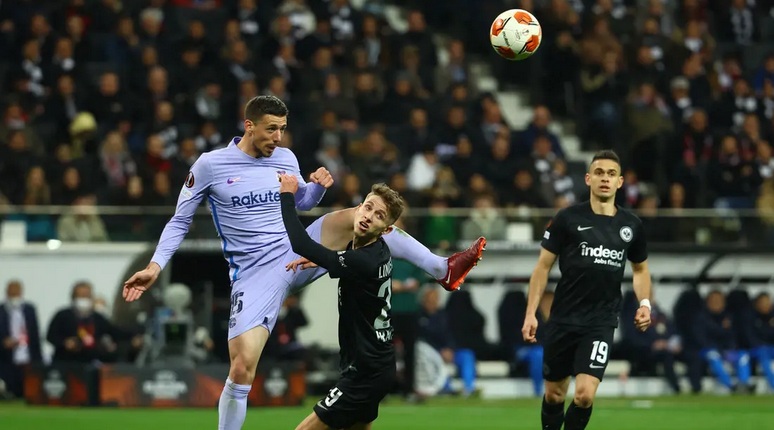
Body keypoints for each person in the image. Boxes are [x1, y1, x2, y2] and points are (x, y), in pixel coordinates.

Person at [122, 95, 485, 430]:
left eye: (282, 129)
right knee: (242, 367)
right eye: (271, 129)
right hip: (255, 274)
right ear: (249, 126)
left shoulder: (285, 157)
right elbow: (180, 220)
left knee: (362, 216)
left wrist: (318, 188)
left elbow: (301, 203)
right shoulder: (210, 165)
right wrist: (155, 265)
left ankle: (443, 268)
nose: (278, 137)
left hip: (295, 250)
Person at [521, 150, 653, 430]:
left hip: (600, 322)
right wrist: (531, 313)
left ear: (620, 182)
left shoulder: (631, 225)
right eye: (599, 173)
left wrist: (645, 303)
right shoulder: (567, 218)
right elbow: (542, 267)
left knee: (583, 395)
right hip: (563, 319)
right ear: (588, 178)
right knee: (554, 394)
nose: (605, 178)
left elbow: (640, 269)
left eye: (611, 174)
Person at [279, 175, 404, 430]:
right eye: (368, 207)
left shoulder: (363, 260)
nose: (369, 216)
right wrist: (325, 259)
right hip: (377, 365)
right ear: (358, 208)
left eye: (379, 216)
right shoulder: (373, 250)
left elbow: (300, 243)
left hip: (364, 373)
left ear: (386, 230)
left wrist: (286, 196)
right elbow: (348, 262)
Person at [0, 280, 43, 398]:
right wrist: (3, 343)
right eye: (12, 293)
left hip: (27, 357)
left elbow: (35, 335)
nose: (15, 296)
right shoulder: (1, 311)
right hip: (6, 360)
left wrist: (38, 360)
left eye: (17, 292)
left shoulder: (29, 310)